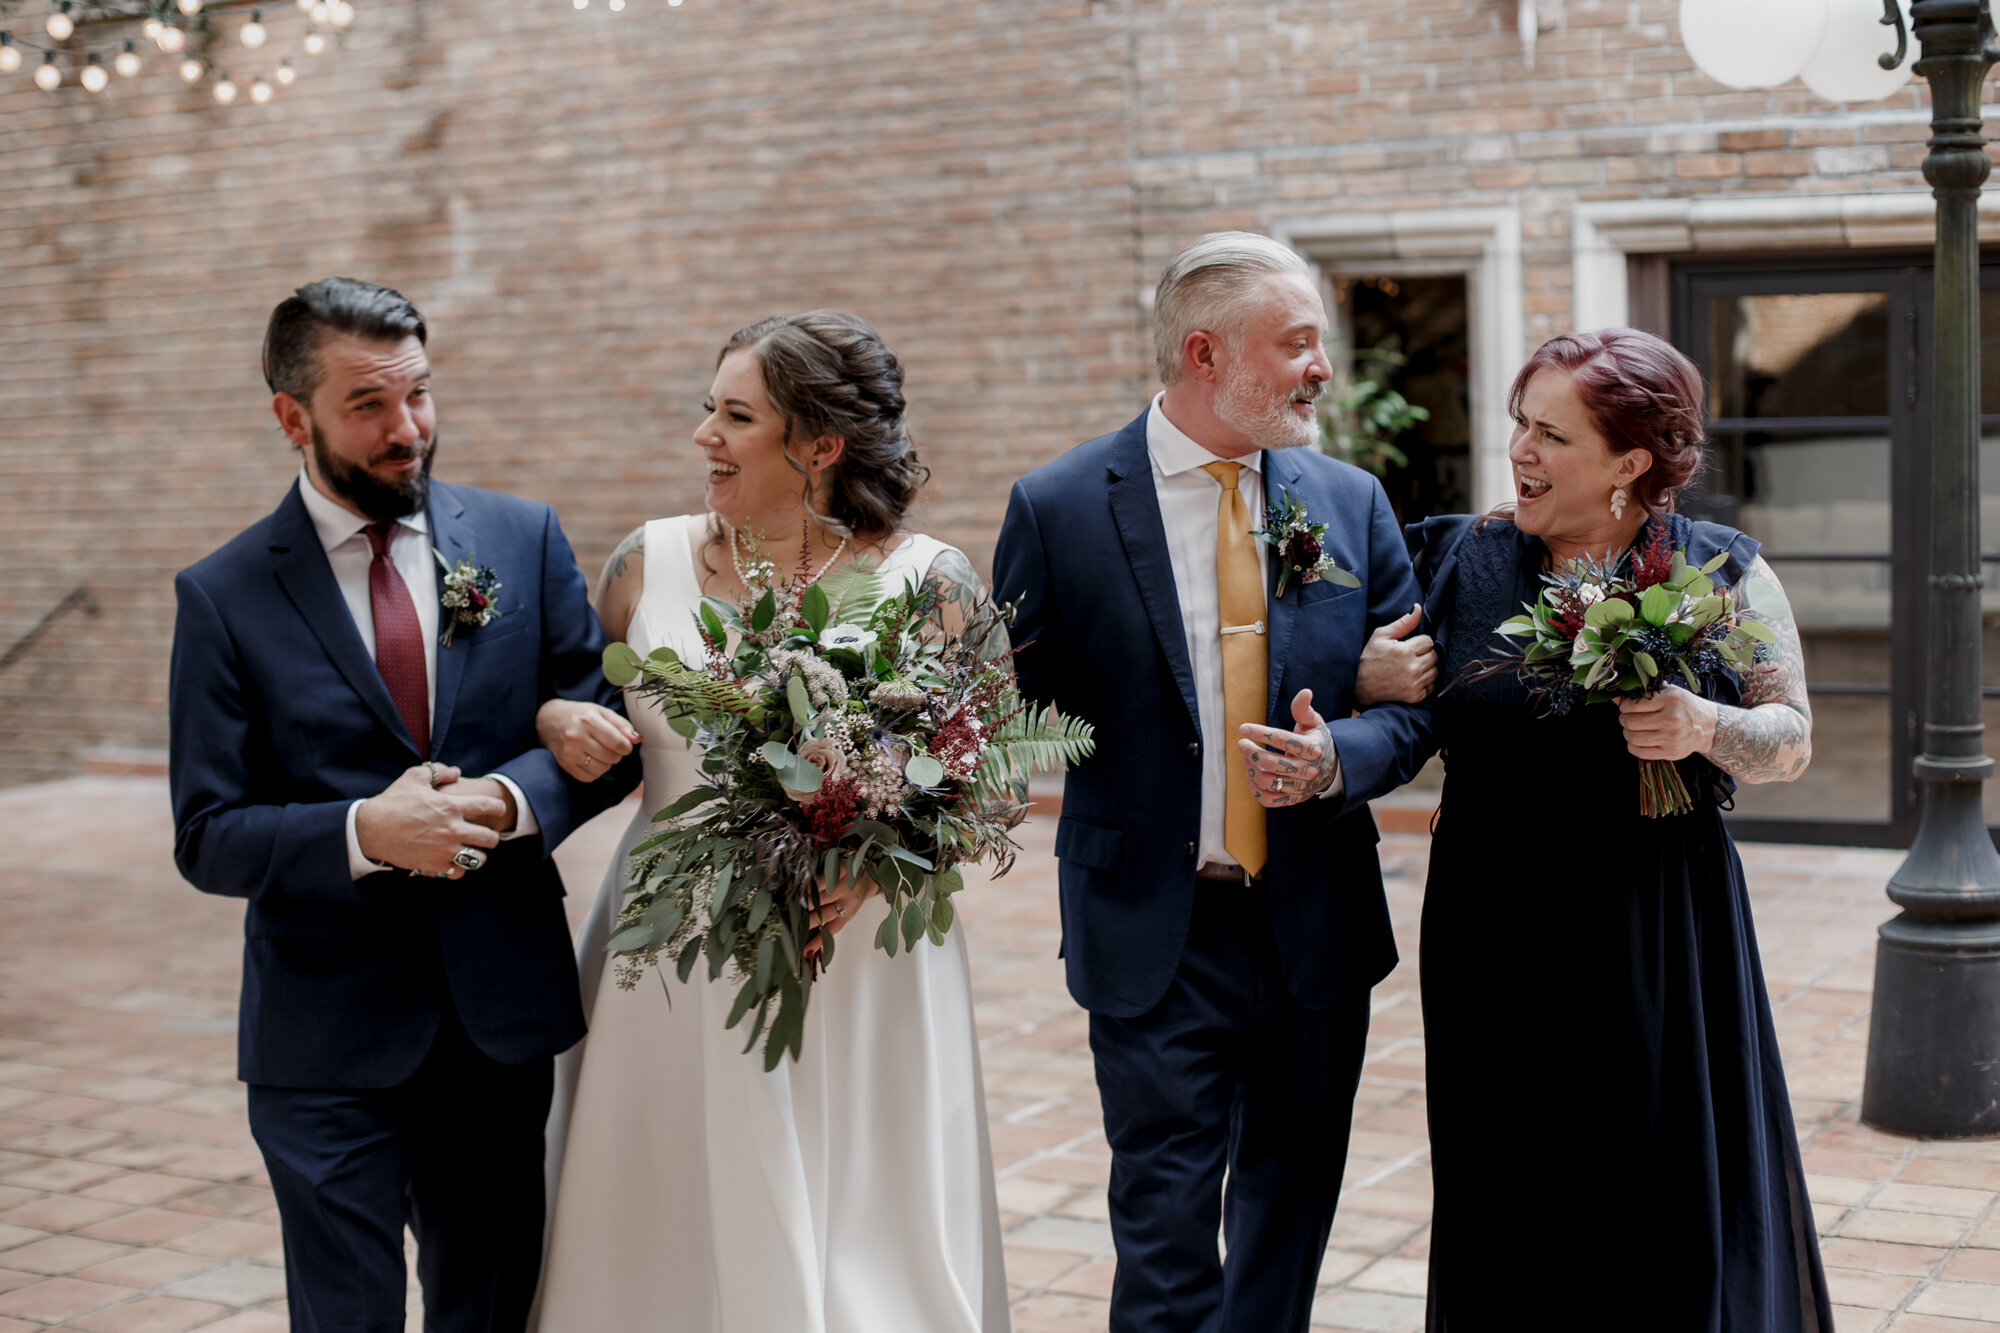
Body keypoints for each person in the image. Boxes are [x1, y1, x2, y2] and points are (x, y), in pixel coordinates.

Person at [168, 277, 637, 1333]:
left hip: (496, 1018)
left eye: (418, 394)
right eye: (368, 406)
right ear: (291, 416)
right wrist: (361, 834)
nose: (407, 430)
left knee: (492, 1306)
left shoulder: (520, 539)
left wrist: (510, 800)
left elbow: (601, 735)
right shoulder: (223, 595)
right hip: (320, 1036)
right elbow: (206, 832)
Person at [989, 232, 1438, 1333]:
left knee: (1286, 1226)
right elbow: (1002, 714)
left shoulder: (1348, 500)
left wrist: (1342, 751)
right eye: (1295, 345)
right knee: (1165, 1226)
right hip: (1151, 922)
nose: (1319, 369)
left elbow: (1413, 706)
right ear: (1204, 353)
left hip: (1311, 924)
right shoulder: (1055, 507)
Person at [530, 310, 1009, 1331]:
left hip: (859, 954)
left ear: (820, 445)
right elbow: (556, 696)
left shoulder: (932, 581)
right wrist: (552, 712)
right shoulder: (641, 564)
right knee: (663, 1210)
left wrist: (882, 864)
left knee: (866, 1228)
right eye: (709, 408)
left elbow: (988, 771)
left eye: (734, 415)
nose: (703, 435)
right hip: (671, 945)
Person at [1401, 328, 1831, 1329]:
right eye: (1518, 423)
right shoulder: (1463, 558)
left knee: (1652, 1152)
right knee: (1501, 1167)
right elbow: (1377, 689)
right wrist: (1370, 679)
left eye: (1549, 433)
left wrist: (1703, 723)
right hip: (1489, 914)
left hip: (1653, 916)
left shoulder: (1719, 572)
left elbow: (1790, 735)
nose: (1518, 450)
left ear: (1629, 461)